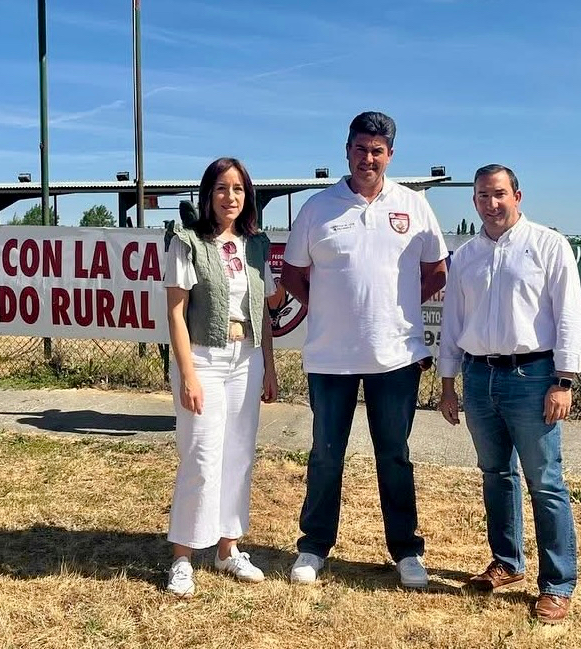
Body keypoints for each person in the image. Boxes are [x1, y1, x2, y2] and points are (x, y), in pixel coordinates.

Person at [281, 111, 448, 588]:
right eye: (360, 149)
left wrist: (396, 310)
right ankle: (313, 547)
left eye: (377, 151)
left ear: (390, 155)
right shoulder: (317, 208)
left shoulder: (414, 205)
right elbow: (293, 273)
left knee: (393, 454)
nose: (367, 158)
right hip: (330, 358)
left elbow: (437, 269)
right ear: (346, 150)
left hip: (395, 356)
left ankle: (406, 550)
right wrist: (326, 307)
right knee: (325, 454)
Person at [438, 164, 581, 624]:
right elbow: (452, 324)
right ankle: (507, 562)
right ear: (475, 201)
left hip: (534, 377)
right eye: (483, 196)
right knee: (495, 475)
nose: (491, 203)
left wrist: (564, 380)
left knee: (545, 483)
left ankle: (557, 584)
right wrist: (448, 383)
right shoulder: (465, 256)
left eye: (499, 194)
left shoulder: (548, 245)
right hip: (479, 378)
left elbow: (570, 314)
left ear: (517, 196)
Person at [163, 157, 279, 598]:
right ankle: (183, 557)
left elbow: (264, 312)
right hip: (204, 359)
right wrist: (188, 372)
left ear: (246, 196)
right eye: (220, 189)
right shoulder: (186, 240)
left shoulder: (256, 245)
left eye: (237, 189)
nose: (229, 197)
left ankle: (228, 548)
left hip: (245, 358)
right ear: (207, 195)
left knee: (238, 456)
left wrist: (268, 365)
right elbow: (175, 310)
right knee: (200, 456)